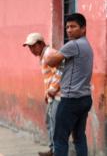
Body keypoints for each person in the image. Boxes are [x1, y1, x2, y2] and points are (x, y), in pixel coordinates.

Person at [44, 13, 93, 156]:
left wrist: (50, 55)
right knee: (79, 137)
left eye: (73, 26)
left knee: (59, 138)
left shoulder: (73, 45)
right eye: (67, 27)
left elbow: (51, 62)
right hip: (84, 98)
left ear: (83, 28)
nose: (69, 30)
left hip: (71, 100)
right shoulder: (87, 45)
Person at [23, 33, 62, 156]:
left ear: (41, 43)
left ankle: (57, 151)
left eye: (33, 46)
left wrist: (51, 90)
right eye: (29, 47)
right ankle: (53, 149)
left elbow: (61, 72)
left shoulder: (49, 54)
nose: (31, 50)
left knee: (55, 126)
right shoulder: (44, 54)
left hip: (57, 97)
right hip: (52, 97)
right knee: (50, 123)